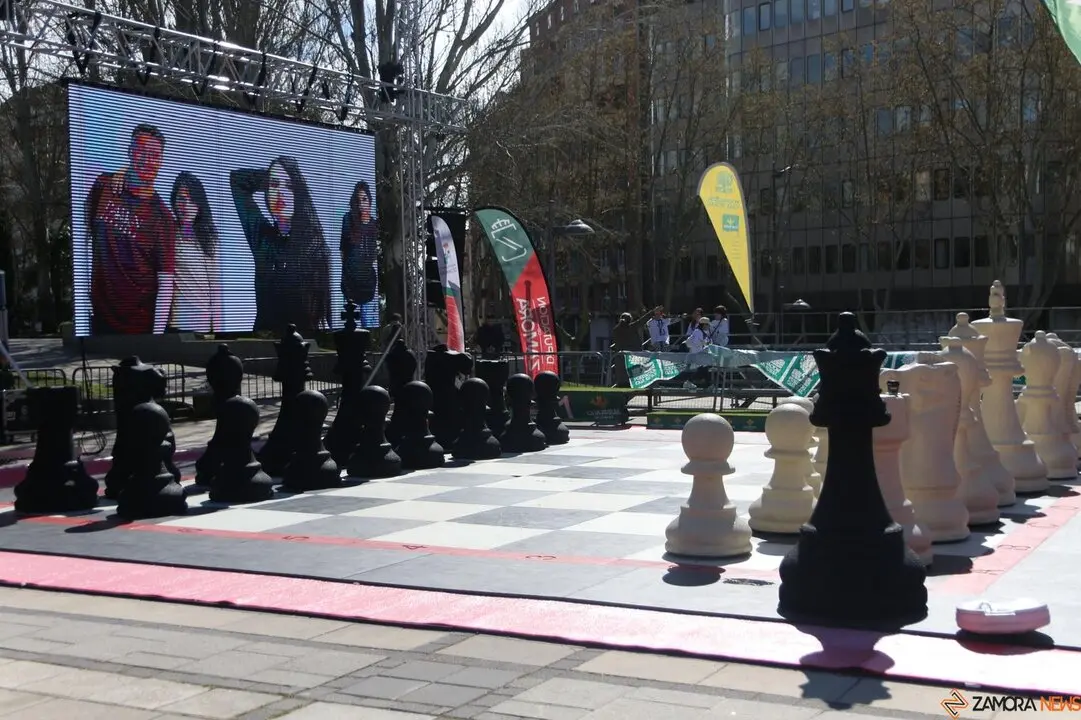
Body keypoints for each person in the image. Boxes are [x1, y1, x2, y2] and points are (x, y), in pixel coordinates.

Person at [86, 123, 176, 335]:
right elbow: (83, 240)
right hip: (97, 321)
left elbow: (165, 284)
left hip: (139, 328)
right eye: (140, 151)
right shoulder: (104, 185)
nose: (147, 160)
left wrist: (156, 337)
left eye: (154, 155)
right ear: (129, 151)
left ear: (161, 161)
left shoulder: (163, 218)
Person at [230, 157, 332, 334]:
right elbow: (237, 180)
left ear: (298, 192)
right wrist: (269, 176)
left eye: (289, 186)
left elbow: (323, 313)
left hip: (302, 343)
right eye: (274, 185)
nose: (280, 193)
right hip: (263, 342)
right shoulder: (262, 238)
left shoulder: (315, 247)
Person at [168, 172, 221, 333]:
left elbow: (215, 287)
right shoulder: (168, 232)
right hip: (176, 321)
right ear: (174, 201)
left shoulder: (209, 236)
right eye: (182, 199)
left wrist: (217, 329)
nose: (186, 205)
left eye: (192, 200)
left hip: (202, 321)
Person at [340, 181, 379, 327]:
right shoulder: (348, 220)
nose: (362, 204)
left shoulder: (373, 225)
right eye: (358, 200)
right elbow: (343, 250)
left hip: (368, 285)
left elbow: (373, 254)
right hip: (350, 284)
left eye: (364, 199)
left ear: (369, 200)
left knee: (367, 326)